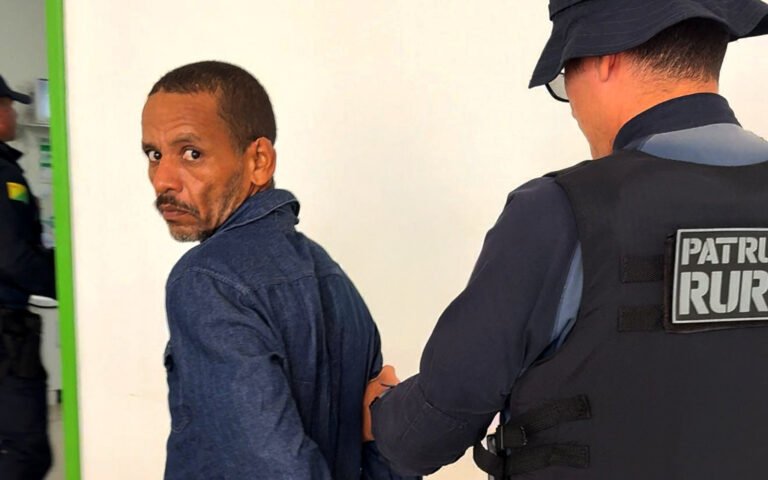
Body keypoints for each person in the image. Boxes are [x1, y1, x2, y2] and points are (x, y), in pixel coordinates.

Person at [365, 1, 768, 479]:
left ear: (604, 57)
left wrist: (381, 413)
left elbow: (429, 431)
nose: (573, 105)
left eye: (564, 78)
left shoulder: (561, 211)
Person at [142, 60, 417, 480]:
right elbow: (387, 452)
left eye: (192, 153)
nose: (163, 179)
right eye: (154, 154)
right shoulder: (333, 278)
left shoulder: (205, 282)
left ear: (259, 160)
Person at [0, 74, 55, 479]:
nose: (14, 113)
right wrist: (65, 282)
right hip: (6, 336)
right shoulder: (3, 176)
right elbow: (12, 256)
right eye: (8, 106)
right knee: (25, 450)